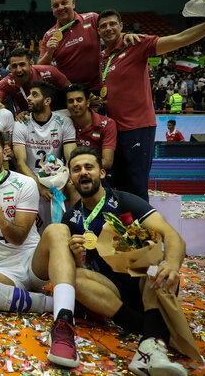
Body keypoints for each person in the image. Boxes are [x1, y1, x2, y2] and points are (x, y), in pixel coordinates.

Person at [0, 128, 80, 369]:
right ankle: (47, 303)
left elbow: (19, 236)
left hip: (33, 262)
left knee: (56, 230)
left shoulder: (24, 182)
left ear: (5, 152)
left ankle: (64, 321)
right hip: (3, 269)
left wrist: (2, 220)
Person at [64, 146, 188, 376]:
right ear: (70, 178)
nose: (83, 172)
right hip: (110, 293)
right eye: (76, 169)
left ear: (101, 173)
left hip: (146, 283)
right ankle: (153, 332)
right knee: (73, 277)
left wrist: (171, 264)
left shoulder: (126, 201)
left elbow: (172, 235)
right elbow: (75, 265)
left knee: (157, 264)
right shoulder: (70, 217)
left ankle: (151, 343)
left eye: (89, 167)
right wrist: (74, 255)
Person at [97, 8, 205, 201]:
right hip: (113, 131)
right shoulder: (102, 59)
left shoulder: (137, 44)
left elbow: (181, 38)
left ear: (121, 26)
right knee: (118, 186)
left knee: (136, 187)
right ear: (98, 31)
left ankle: (141, 230)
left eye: (113, 23)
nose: (108, 28)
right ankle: (121, 228)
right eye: (103, 26)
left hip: (137, 127)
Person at [12, 81, 76, 231]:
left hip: (56, 178)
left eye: (34, 95)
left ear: (47, 101)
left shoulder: (64, 122)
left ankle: (75, 231)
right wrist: (38, 186)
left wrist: (64, 181)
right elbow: (20, 163)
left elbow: (71, 157)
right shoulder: (21, 123)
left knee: (73, 187)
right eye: (29, 94)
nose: (28, 98)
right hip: (29, 178)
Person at [37, 0, 102, 91]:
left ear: (73, 3)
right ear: (52, 10)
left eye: (64, 3)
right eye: (56, 6)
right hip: (70, 91)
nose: (61, 7)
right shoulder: (49, 35)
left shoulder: (92, 19)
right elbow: (40, 68)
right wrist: (49, 52)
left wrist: (126, 36)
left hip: (98, 87)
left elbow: (112, 34)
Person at [0, 49, 70, 117]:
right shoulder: (8, 82)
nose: (18, 70)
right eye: (14, 66)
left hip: (59, 114)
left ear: (30, 64)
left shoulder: (48, 72)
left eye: (22, 64)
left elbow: (71, 89)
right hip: (30, 118)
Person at [65, 83, 116, 171]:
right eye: (70, 101)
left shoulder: (107, 124)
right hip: (73, 172)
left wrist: (81, 167)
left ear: (87, 103)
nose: (75, 104)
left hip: (97, 173)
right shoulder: (65, 123)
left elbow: (107, 163)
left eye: (79, 100)